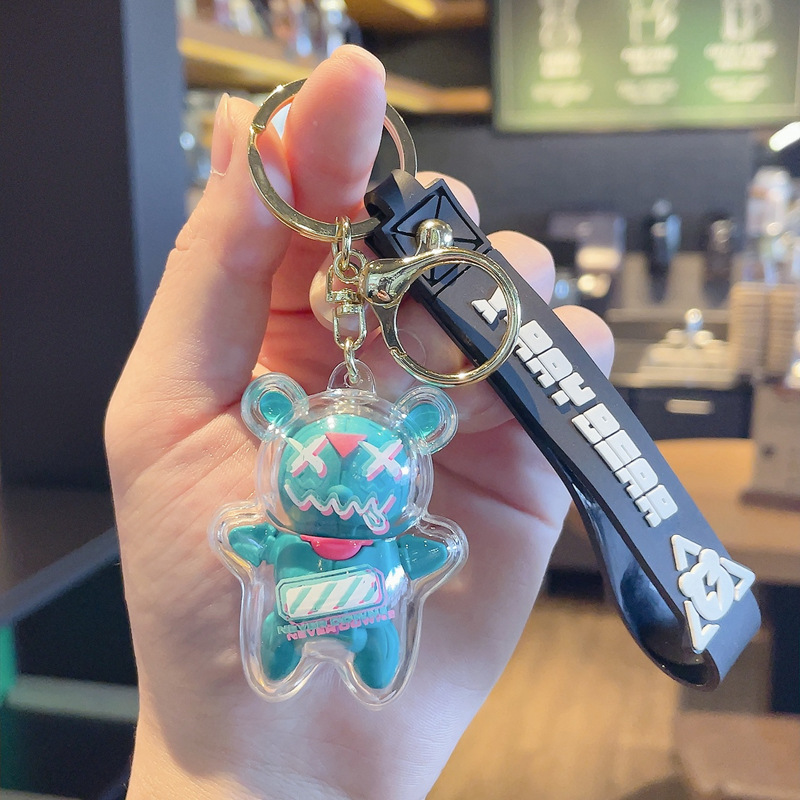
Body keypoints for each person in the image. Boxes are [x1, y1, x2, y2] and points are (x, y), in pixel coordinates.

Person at [105, 45, 613, 799]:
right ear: (277, 426)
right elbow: (255, 541)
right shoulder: (289, 525)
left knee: (374, 645)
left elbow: (419, 554)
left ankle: (366, 665)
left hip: (368, 610)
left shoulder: (390, 530)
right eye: (321, 468)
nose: (342, 487)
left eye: (365, 472)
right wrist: (226, 766)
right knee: (292, 637)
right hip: (300, 615)